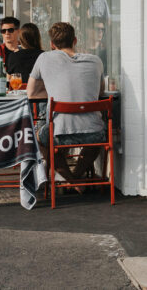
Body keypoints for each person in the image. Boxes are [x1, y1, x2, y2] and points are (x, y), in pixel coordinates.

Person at [27, 21, 104, 184]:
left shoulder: (44, 57)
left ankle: (72, 180)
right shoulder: (95, 60)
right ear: (75, 40)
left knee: (40, 138)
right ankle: (77, 176)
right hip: (94, 133)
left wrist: (54, 89)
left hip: (59, 134)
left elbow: (31, 92)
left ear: (52, 44)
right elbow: (99, 93)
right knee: (98, 137)